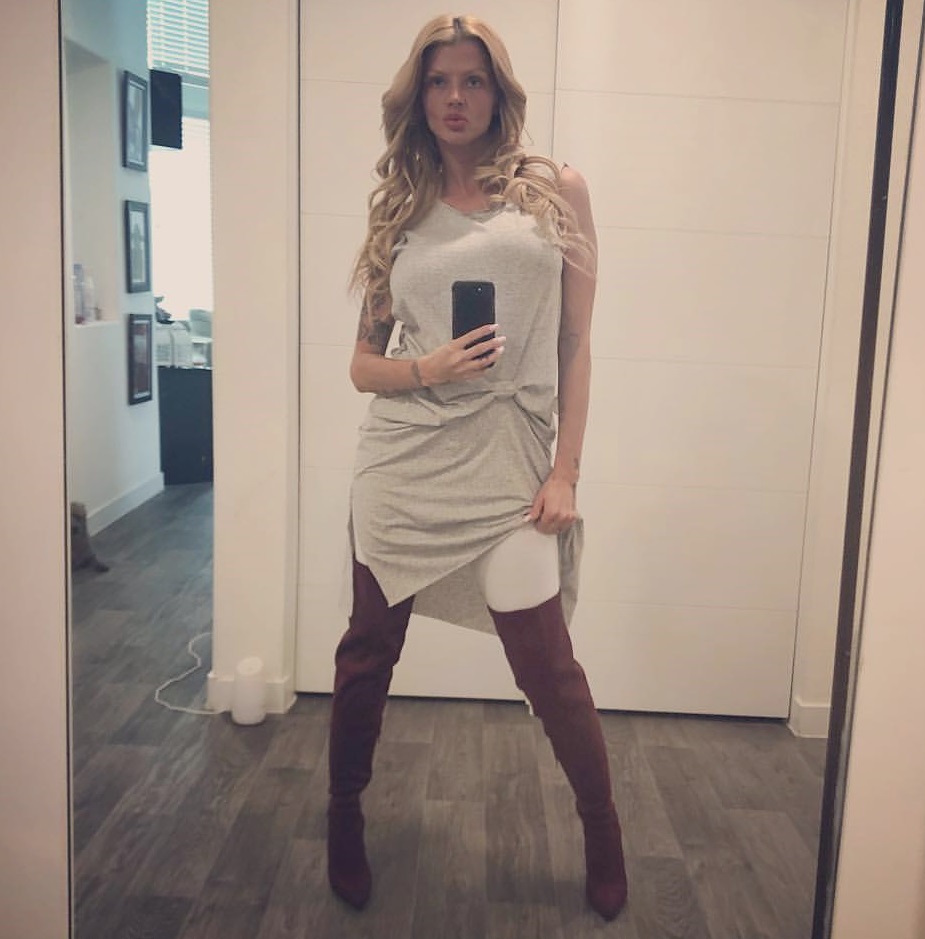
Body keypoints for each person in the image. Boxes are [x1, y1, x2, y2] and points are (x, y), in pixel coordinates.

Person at [327, 13, 628, 921]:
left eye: (472, 80)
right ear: (416, 97)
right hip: (404, 463)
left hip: (508, 462)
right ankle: (342, 815)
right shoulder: (398, 211)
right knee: (367, 652)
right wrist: (427, 367)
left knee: (548, 667)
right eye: (438, 81)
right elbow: (362, 366)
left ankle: (603, 828)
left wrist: (565, 470)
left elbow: (575, 343)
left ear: (498, 92)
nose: (454, 98)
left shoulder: (555, 192)